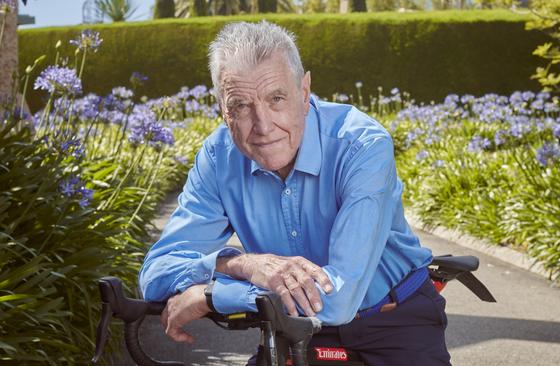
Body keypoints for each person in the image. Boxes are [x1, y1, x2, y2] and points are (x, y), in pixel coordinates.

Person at [139, 21, 451, 366]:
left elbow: (340, 298)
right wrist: (243, 264)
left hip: (397, 320)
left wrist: (213, 295)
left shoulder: (362, 145)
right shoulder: (218, 158)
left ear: (304, 93)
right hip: (291, 323)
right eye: (241, 105)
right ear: (222, 109)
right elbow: (156, 275)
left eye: (276, 99)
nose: (263, 126)